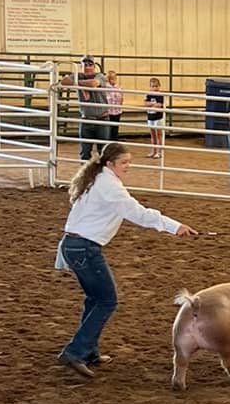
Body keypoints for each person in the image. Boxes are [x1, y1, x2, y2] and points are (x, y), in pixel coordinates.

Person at [55, 143, 196, 379]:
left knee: (96, 300)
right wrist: (174, 226)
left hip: (76, 246)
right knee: (107, 301)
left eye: (129, 162)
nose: (128, 167)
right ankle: (75, 351)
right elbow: (138, 213)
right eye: (124, 163)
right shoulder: (109, 186)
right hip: (85, 249)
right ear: (110, 164)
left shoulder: (97, 178)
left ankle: (88, 350)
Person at [76, 56, 106, 160]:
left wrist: (77, 83)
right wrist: (80, 83)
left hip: (102, 119)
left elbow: (93, 84)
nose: (87, 67)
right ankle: (85, 175)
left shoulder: (99, 76)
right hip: (86, 119)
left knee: (103, 152)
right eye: (85, 65)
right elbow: (64, 81)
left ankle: (102, 175)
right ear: (81, 66)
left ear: (94, 66)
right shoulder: (78, 76)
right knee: (84, 152)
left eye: (90, 65)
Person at [144, 75, 165, 156]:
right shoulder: (148, 95)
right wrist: (153, 104)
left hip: (158, 117)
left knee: (159, 135)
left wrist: (151, 104)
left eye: (156, 86)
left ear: (159, 86)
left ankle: (159, 152)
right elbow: (145, 103)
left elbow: (159, 105)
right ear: (150, 87)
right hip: (150, 117)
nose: (154, 88)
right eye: (152, 86)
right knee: (152, 135)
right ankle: (153, 151)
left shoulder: (160, 95)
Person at [105, 70, 125, 143]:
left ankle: (114, 140)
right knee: (109, 127)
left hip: (117, 110)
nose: (114, 80)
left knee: (115, 127)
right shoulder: (106, 87)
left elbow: (121, 97)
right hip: (109, 111)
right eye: (112, 79)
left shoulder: (118, 87)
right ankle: (109, 141)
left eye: (114, 78)